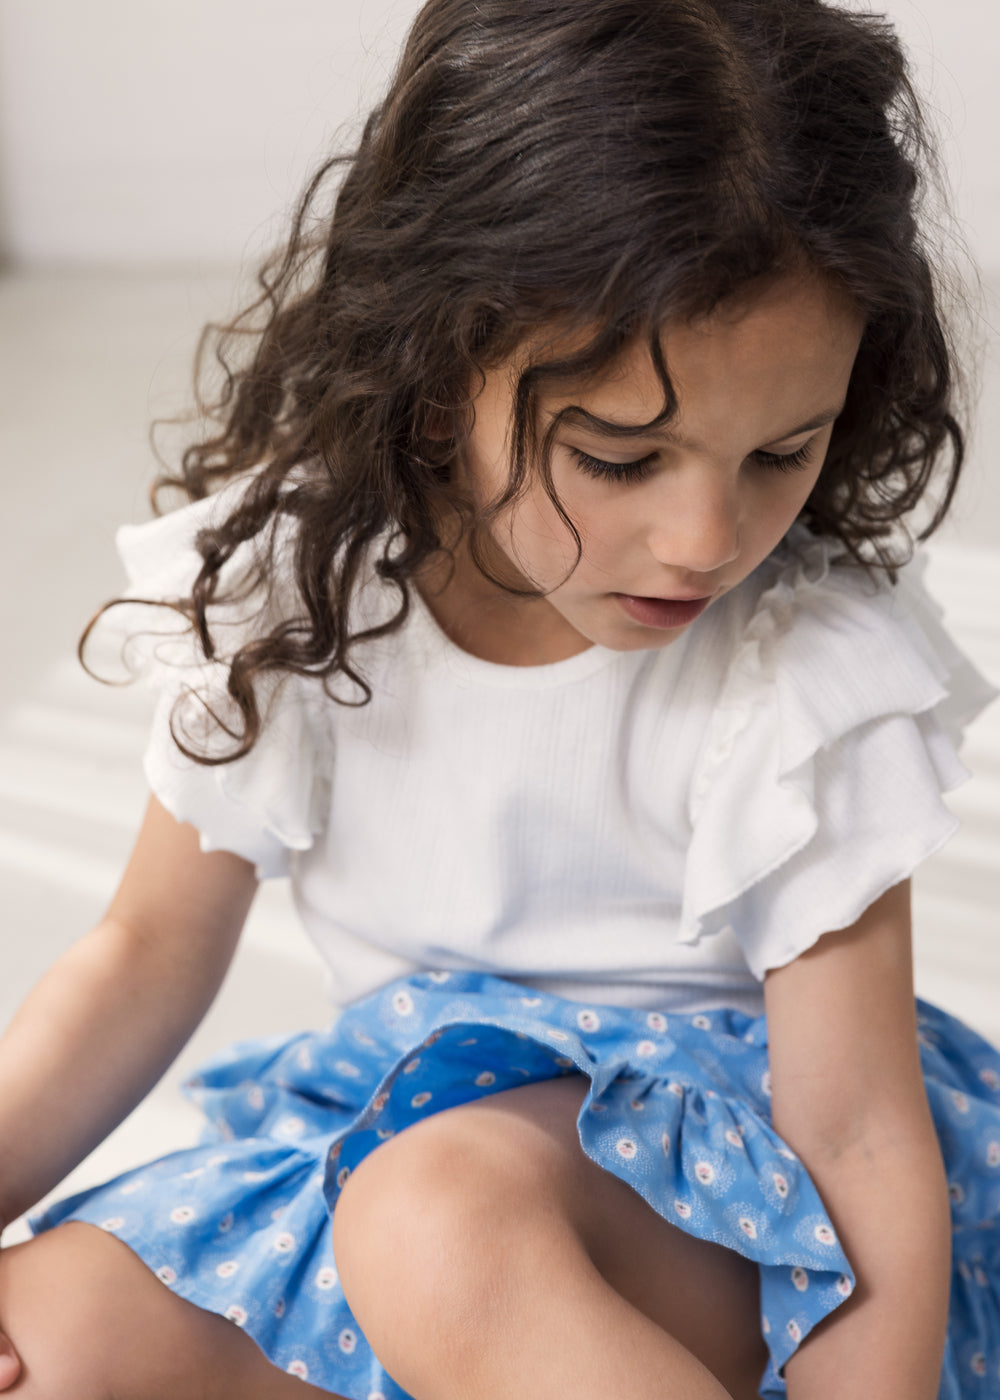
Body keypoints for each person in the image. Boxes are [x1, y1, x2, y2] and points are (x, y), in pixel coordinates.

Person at [0, 0, 997, 1396]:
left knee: (433, 1221)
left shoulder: (794, 668)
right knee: (47, 1342)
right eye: (622, 457)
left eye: (781, 452)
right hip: (399, 1152)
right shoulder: (299, 588)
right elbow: (142, 953)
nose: (708, 538)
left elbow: (857, 1142)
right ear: (437, 365)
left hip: (741, 1214)